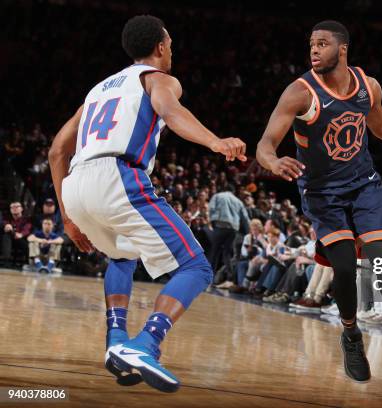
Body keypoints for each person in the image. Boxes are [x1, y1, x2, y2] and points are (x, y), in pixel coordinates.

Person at [48, 15, 246, 393]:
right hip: (118, 176)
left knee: (122, 254)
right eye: (170, 44)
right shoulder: (157, 79)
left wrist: (67, 216)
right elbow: (172, 113)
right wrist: (215, 141)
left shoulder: (96, 91)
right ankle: (146, 343)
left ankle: (116, 340)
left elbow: (58, 149)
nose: (171, 50)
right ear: (159, 46)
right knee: (196, 266)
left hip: (76, 183)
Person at [256, 20, 382, 384]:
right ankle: (351, 336)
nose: (314, 50)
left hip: (363, 184)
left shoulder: (368, 86)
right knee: (344, 268)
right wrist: (273, 162)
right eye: (311, 45)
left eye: (322, 43)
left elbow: (381, 125)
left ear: (342, 48)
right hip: (322, 193)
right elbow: (264, 144)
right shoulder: (300, 92)